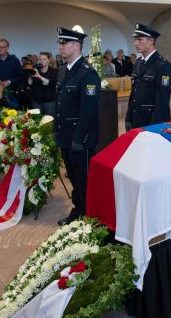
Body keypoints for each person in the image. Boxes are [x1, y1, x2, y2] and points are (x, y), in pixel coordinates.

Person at [54, 27, 101, 226]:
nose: (60, 46)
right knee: (73, 176)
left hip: (79, 139)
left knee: (84, 179)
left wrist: (78, 139)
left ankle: (89, 215)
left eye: (64, 43)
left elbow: (88, 111)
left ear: (76, 45)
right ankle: (79, 210)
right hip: (66, 136)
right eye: (60, 43)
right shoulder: (65, 70)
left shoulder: (87, 74)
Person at [125, 23, 171, 130]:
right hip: (136, 119)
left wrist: (154, 127)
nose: (135, 43)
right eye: (135, 39)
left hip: (152, 121)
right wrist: (128, 118)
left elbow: (162, 100)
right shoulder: (138, 63)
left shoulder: (162, 65)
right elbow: (134, 94)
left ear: (151, 41)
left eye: (140, 39)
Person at [0, 38, 24, 108]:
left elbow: (20, 75)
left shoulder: (15, 60)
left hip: (12, 92)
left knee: (13, 115)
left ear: (7, 48)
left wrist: (9, 81)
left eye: (2, 47)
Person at [28, 52, 58, 116]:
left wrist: (39, 77)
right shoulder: (36, 70)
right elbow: (30, 84)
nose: (42, 61)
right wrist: (30, 76)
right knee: (37, 120)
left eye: (44, 59)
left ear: (48, 60)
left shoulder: (54, 71)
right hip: (36, 100)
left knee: (49, 121)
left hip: (49, 102)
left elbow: (51, 83)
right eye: (40, 59)